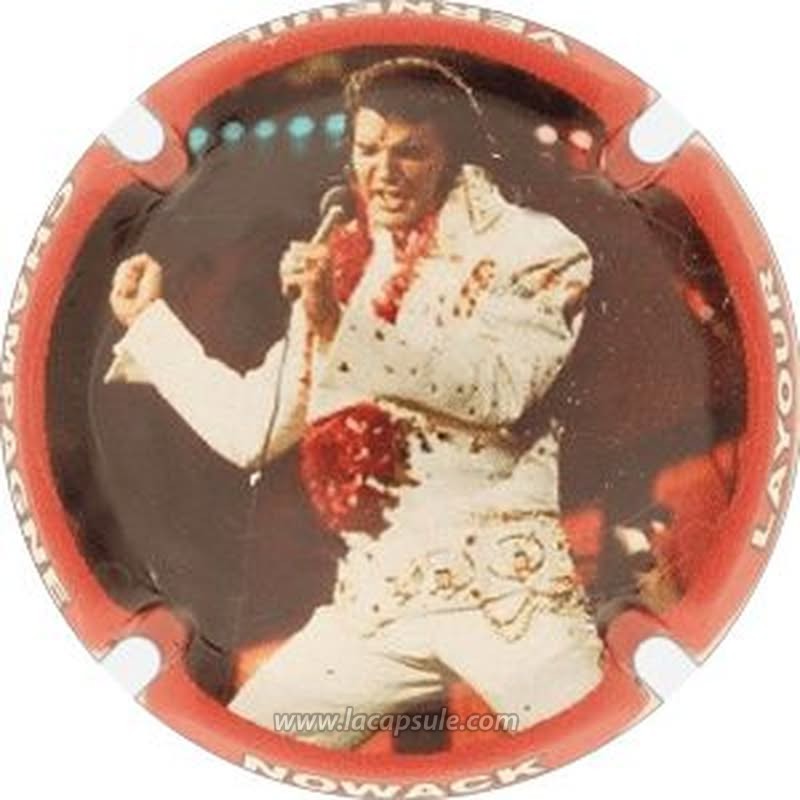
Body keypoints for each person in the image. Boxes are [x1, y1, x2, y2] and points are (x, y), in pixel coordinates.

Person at [106, 57, 603, 749]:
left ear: (453, 155)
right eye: (369, 151)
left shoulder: (533, 248)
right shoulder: (344, 264)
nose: (384, 173)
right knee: (254, 755)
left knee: (605, 754)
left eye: (410, 151)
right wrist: (151, 327)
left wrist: (337, 322)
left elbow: (499, 388)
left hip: (507, 603)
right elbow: (252, 429)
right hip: (376, 609)